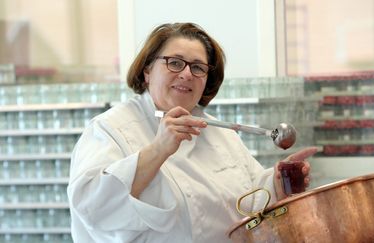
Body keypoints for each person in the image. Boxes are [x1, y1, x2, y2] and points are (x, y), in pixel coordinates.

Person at [67, 22, 318, 242]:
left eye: (198, 68)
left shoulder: (220, 132)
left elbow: (249, 200)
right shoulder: (111, 128)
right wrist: (158, 150)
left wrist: (276, 183)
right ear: (147, 71)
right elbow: (91, 207)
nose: (187, 74)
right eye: (175, 63)